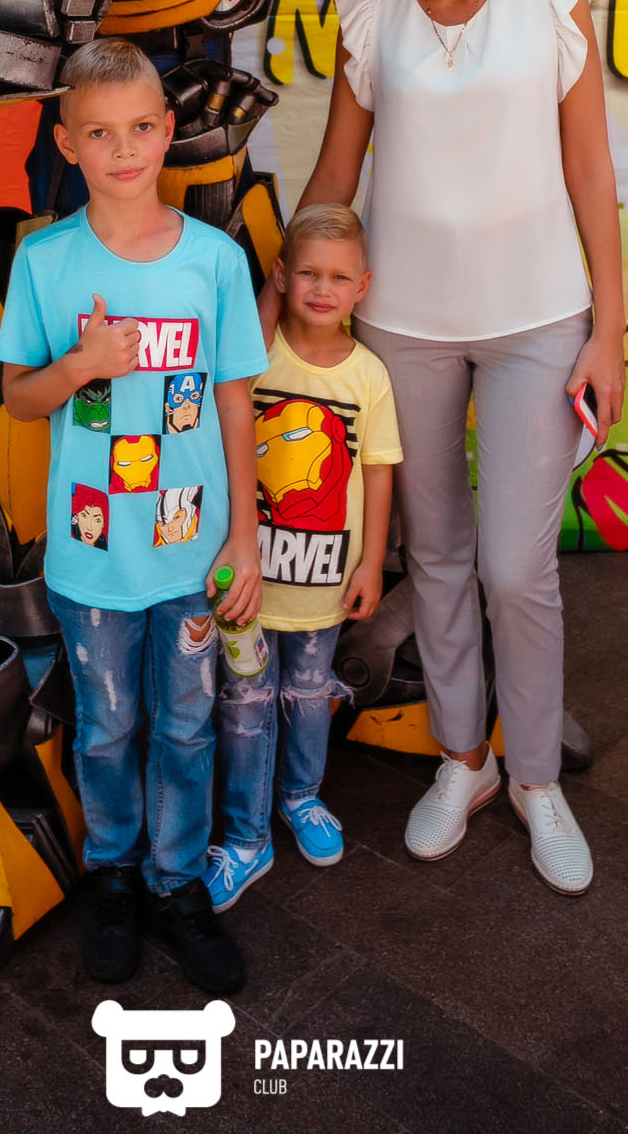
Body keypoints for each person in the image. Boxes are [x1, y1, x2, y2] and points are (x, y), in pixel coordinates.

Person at [275, 0, 625, 895]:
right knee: (431, 556)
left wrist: (608, 329)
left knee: (515, 569)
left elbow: (590, 171)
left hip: (538, 321)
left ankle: (535, 780)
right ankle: (463, 759)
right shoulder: (371, 16)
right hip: (401, 328)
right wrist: (284, 294)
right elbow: (336, 177)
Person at [0, 36, 267, 994]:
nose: (124, 149)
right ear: (67, 143)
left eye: (142, 128)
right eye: (101, 133)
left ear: (166, 130)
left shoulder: (215, 260)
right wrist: (81, 366)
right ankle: (112, 876)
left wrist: (245, 535)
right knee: (106, 729)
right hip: (92, 560)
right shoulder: (45, 260)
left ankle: (175, 883)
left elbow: (234, 398)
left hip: (193, 555)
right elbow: (19, 398)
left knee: (187, 726)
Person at [208, 204, 401, 910]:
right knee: (244, 702)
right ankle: (243, 835)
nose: (323, 288)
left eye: (340, 277)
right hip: (247, 586)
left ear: (362, 287)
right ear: (282, 276)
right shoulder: (254, 357)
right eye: (309, 273)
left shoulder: (369, 376)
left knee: (308, 694)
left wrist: (371, 563)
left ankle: (301, 796)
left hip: (324, 584)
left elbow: (378, 470)